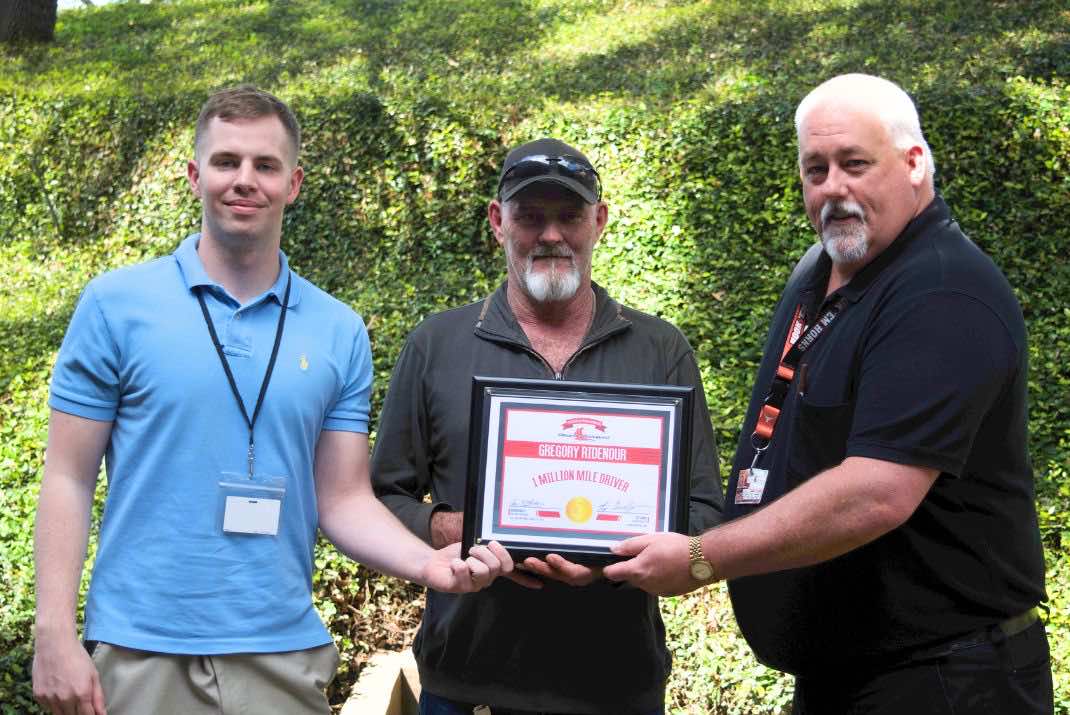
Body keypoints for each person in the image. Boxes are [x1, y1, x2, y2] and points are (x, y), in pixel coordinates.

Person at [31, 84, 512, 715]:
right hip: (141, 649)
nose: (244, 180)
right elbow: (67, 477)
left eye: (265, 165)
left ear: (294, 183)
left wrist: (428, 566)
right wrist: (54, 634)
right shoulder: (115, 307)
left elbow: (343, 499)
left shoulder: (338, 330)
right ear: (195, 175)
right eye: (226, 161)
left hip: (282, 655)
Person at [603, 73, 1053, 713]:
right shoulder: (821, 271)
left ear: (914, 163)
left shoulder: (942, 291)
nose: (833, 188)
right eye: (816, 169)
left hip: (945, 681)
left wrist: (701, 558)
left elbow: (876, 493)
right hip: (852, 676)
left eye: (855, 164)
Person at [371, 138, 723, 714]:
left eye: (570, 216)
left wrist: (612, 557)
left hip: (614, 685)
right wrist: (457, 529)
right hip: (467, 684)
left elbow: (704, 509)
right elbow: (383, 497)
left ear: (599, 221)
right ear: (497, 222)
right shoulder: (436, 344)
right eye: (530, 216)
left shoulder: (660, 348)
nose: (551, 235)